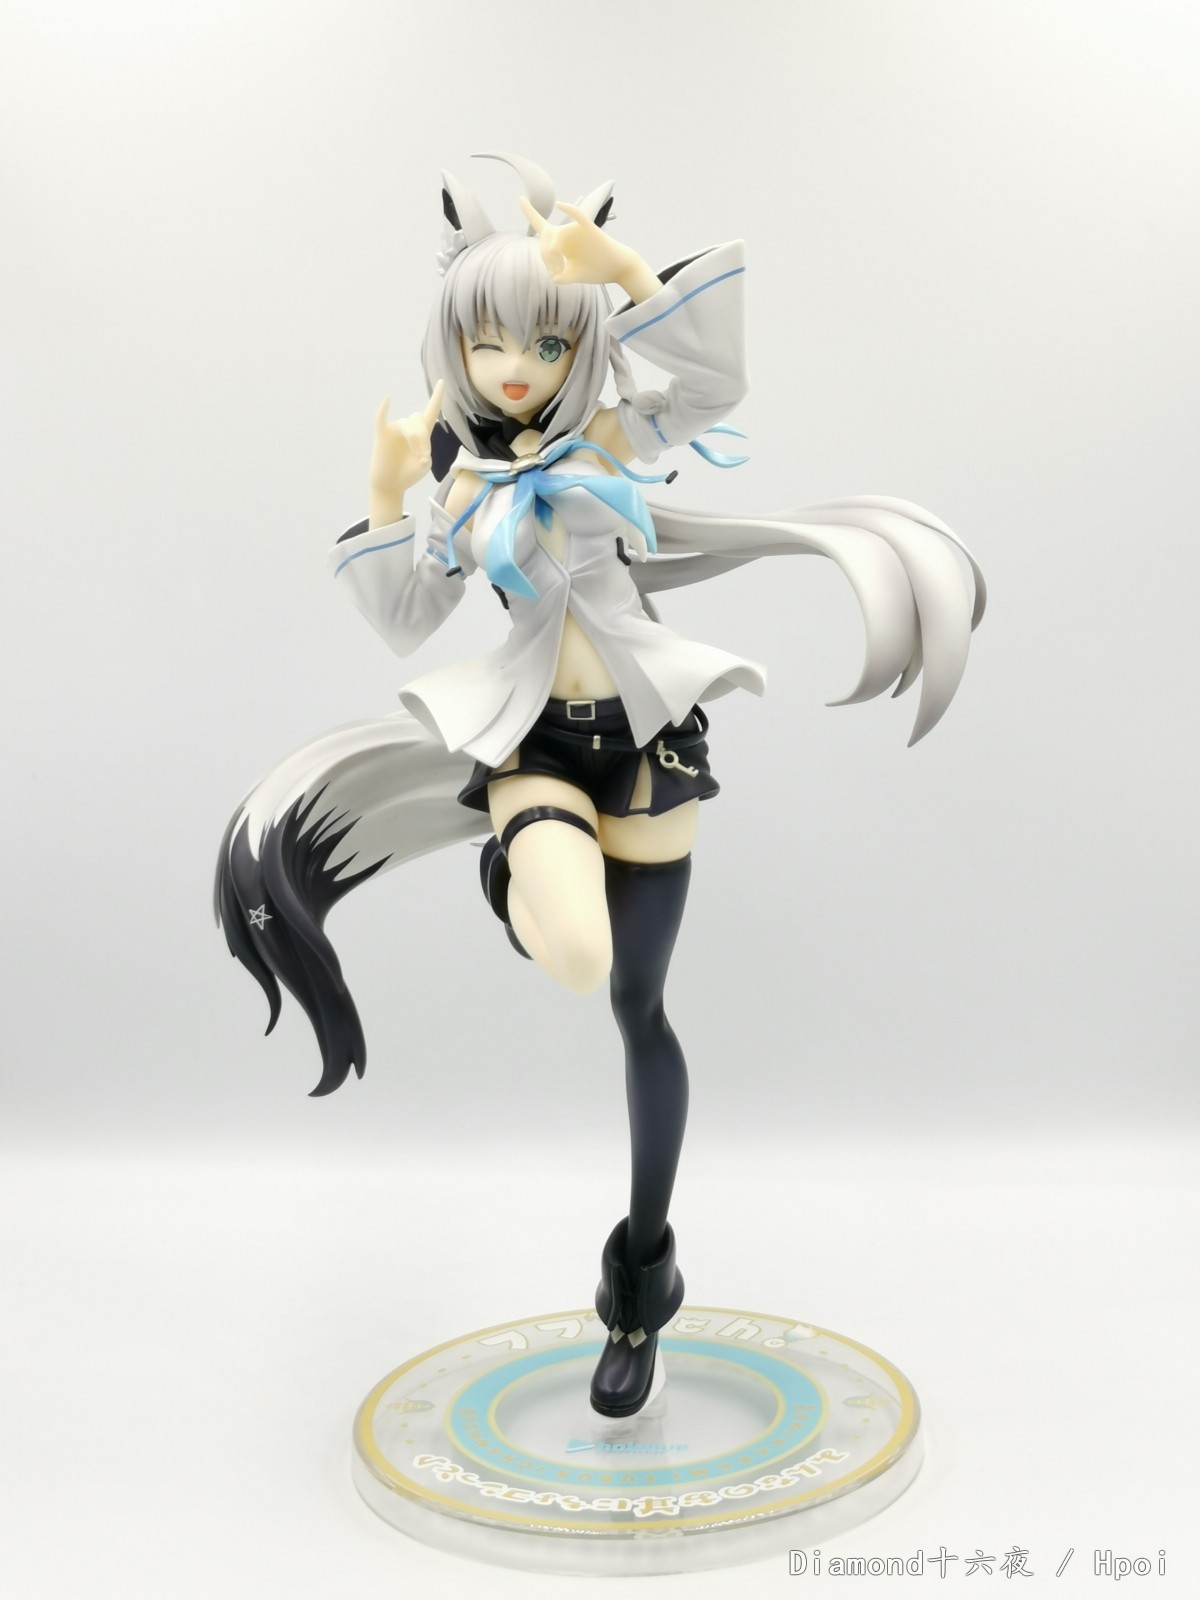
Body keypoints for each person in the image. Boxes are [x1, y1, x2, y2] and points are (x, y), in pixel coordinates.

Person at [215, 153, 986, 1418]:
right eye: (487, 341)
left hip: (648, 736)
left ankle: (641, 1278)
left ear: (577, 345)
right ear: (454, 348)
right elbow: (406, 618)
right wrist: (386, 491)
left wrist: (624, 272)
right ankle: (513, 861)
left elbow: (712, 384)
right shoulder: (464, 488)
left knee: (639, 1007)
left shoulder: (616, 437)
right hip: (535, 743)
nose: (513, 367)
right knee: (576, 953)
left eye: (541, 340)